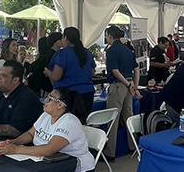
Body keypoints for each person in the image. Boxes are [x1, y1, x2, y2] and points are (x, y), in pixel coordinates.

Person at [0, 86, 95, 172]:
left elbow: (49, 149)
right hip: (49, 165)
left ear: (60, 105)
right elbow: (31, 134)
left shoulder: (69, 122)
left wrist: (16, 149)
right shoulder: (46, 115)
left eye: (50, 99)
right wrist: (13, 142)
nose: (45, 100)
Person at [105, 25, 142, 161]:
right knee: (128, 116)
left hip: (118, 85)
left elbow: (114, 70)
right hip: (129, 84)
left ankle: (110, 152)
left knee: (113, 119)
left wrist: (127, 85)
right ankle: (132, 146)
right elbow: (136, 68)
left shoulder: (111, 50)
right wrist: (134, 86)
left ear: (110, 35)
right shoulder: (127, 50)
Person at [44, 27, 96, 114]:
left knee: (68, 123)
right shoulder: (86, 52)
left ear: (65, 38)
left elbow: (57, 76)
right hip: (87, 92)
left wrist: (48, 72)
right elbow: (93, 72)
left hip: (68, 95)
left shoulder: (62, 54)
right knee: (83, 123)